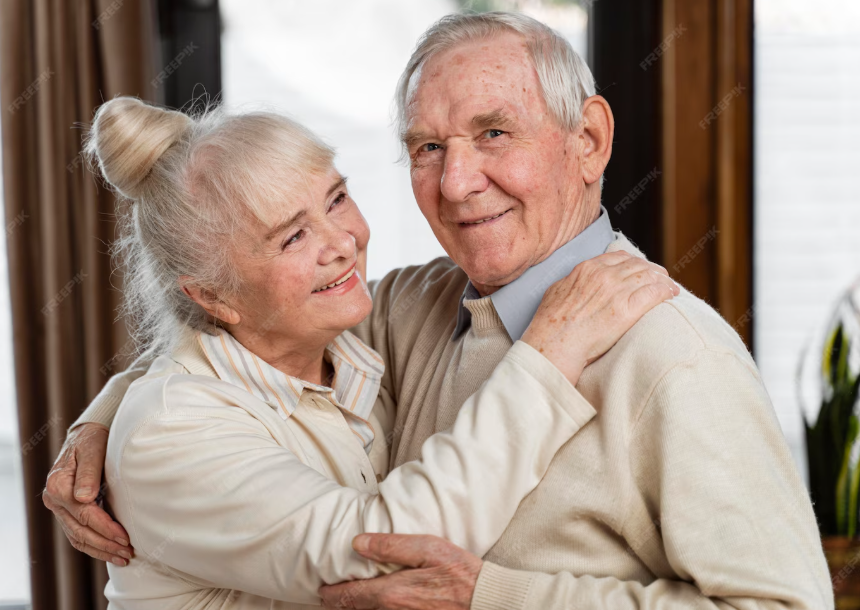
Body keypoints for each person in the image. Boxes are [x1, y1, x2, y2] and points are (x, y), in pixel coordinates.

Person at [46, 11, 833, 610]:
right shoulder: (412, 308)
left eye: (494, 133)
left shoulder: (675, 356)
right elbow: (258, 338)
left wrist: (492, 597)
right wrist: (108, 421)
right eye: (427, 147)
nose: (456, 184)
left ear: (589, 140)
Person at [53, 95, 672, 608]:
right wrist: (548, 355)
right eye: (293, 237)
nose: (343, 244)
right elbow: (388, 553)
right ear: (213, 295)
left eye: (337, 199)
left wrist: (104, 410)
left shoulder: (350, 332)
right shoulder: (170, 431)